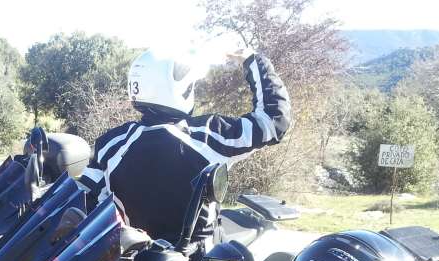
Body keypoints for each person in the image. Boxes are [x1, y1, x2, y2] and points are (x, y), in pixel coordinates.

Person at [80, 48, 291, 245]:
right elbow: (273, 120)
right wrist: (254, 61)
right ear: (183, 88)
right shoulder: (209, 135)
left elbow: (83, 202)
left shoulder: (111, 143)